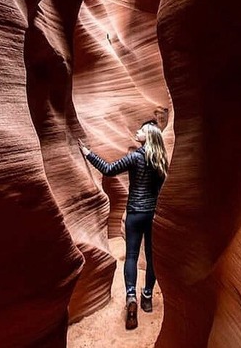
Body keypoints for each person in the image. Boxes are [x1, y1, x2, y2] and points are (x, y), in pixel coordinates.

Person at [78, 120, 168, 330]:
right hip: (152, 214)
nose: (137, 131)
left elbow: (109, 170)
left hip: (135, 213)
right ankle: (147, 296)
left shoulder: (135, 157)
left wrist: (88, 153)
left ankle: (131, 298)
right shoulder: (160, 159)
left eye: (142, 130)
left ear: (148, 136)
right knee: (152, 256)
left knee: (131, 256)